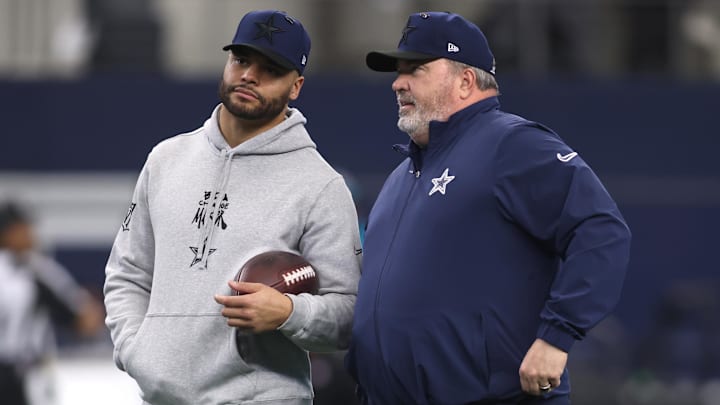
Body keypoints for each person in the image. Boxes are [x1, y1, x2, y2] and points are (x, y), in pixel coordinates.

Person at [345, 11, 631, 405]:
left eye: (416, 69)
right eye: (398, 71)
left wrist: (556, 337)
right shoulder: (403, 175)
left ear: (465, 81)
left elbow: (601, 231)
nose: (398, 83)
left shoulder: (512, 145)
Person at [103, 9, 362, 405]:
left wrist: (290, 312)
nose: (249, 75)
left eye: (271, 68)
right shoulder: (164, 160)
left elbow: (349, 312)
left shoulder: (321, 185)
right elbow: (128, 273)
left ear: (297, 86)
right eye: (241, 60)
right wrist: (134, 351)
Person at [0, 201, 105, 405]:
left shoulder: (35, 268)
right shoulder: (33, 269)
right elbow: (85, 319)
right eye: (23, 228)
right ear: (9, 232)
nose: (30, 233)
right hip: (25, 373)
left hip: (25, 372)